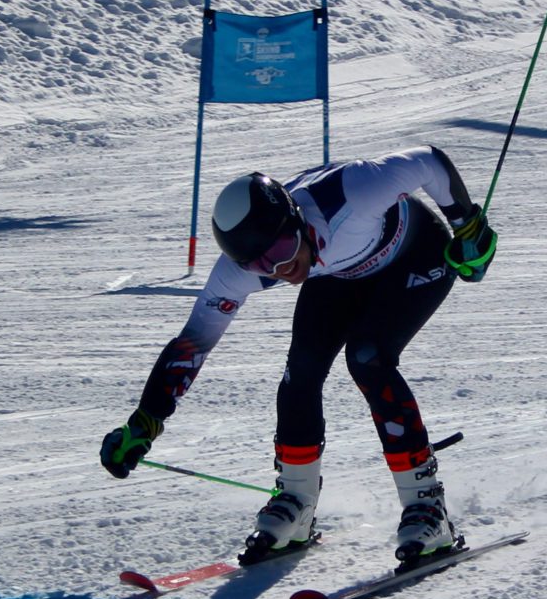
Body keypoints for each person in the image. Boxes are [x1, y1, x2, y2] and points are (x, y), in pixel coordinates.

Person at [101, 146, 498, 567]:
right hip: (335, 270)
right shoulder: (260, 265)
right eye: (261, 265)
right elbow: (194, 342)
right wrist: (146, 420)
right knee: (301, 370)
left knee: (368, 359)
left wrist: (467, 225)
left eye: (284, 247)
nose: (281, 268)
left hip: (415, 250)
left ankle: (427, 508)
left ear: (297, 221)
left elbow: (429, 162)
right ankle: (296, 502)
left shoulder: (354, 193)